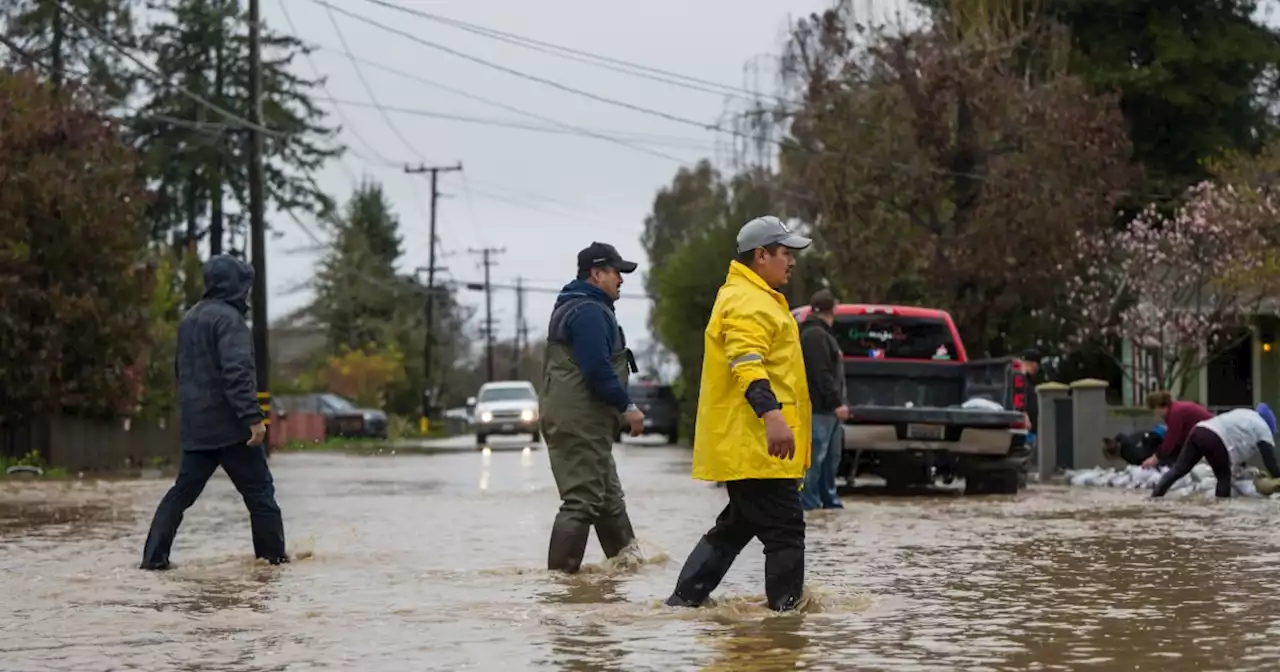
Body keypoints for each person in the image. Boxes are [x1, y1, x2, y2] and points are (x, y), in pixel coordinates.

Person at [664, 215, 813, 612]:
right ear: (761, 255)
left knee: (739, 524)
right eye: (785, 253)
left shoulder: (755, 298)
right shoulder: (747, 301)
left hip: (753, 441)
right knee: (785, 531)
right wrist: (772, 416)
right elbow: (747, 362)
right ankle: (785, 621)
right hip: (757, 442)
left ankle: (685, 601)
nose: (792, 261)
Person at [140, 255, 287, 570]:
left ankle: (153, 559)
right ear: (235, 285)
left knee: (180, 495)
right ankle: (272, 564)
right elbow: (237, 373)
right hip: (232, 429)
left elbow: (181, 371)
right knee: (261, 495)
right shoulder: (230, 320)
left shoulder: (189, 319)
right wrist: (253, 419)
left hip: (197, 429)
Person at [539, 241, 644, 573]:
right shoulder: (588, 312)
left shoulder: (580, 307)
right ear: (597, 274)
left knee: (608, 500)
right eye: (616, 273)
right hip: (580, 420)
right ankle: (561, 586)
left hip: (583, 420)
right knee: (582, 501)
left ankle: (628, 571)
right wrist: (627, 406)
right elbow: (597, 369)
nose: (622, 281)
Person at [1152, 404, 1280, 498]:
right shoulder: (1264, 430)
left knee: (1179, 469)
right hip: (1216, 438)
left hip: (1199, 429)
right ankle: (1220, 514)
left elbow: (1237, 442)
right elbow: (1271, 464)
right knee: (1224, 478)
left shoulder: (1245, 413)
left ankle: (1155, 496)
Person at [798, 289, 849, 510]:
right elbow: (821, 373)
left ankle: (828, 500)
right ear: (833, 307)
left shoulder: (822, 334)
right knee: (815, 459)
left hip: (827, 411)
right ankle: (809, 501)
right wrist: (836, 402)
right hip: (819, 409)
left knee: (830, 459)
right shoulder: (815, 336)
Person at [1142, 391, 1212, 469]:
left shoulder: (1175, 413)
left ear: (1158, 406)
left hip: (1209, 435)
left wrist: (1156, 458)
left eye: (1154, 410)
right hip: (1205, 434)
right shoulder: (1174, 409)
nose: (1155, 414)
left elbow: (1171, 439)